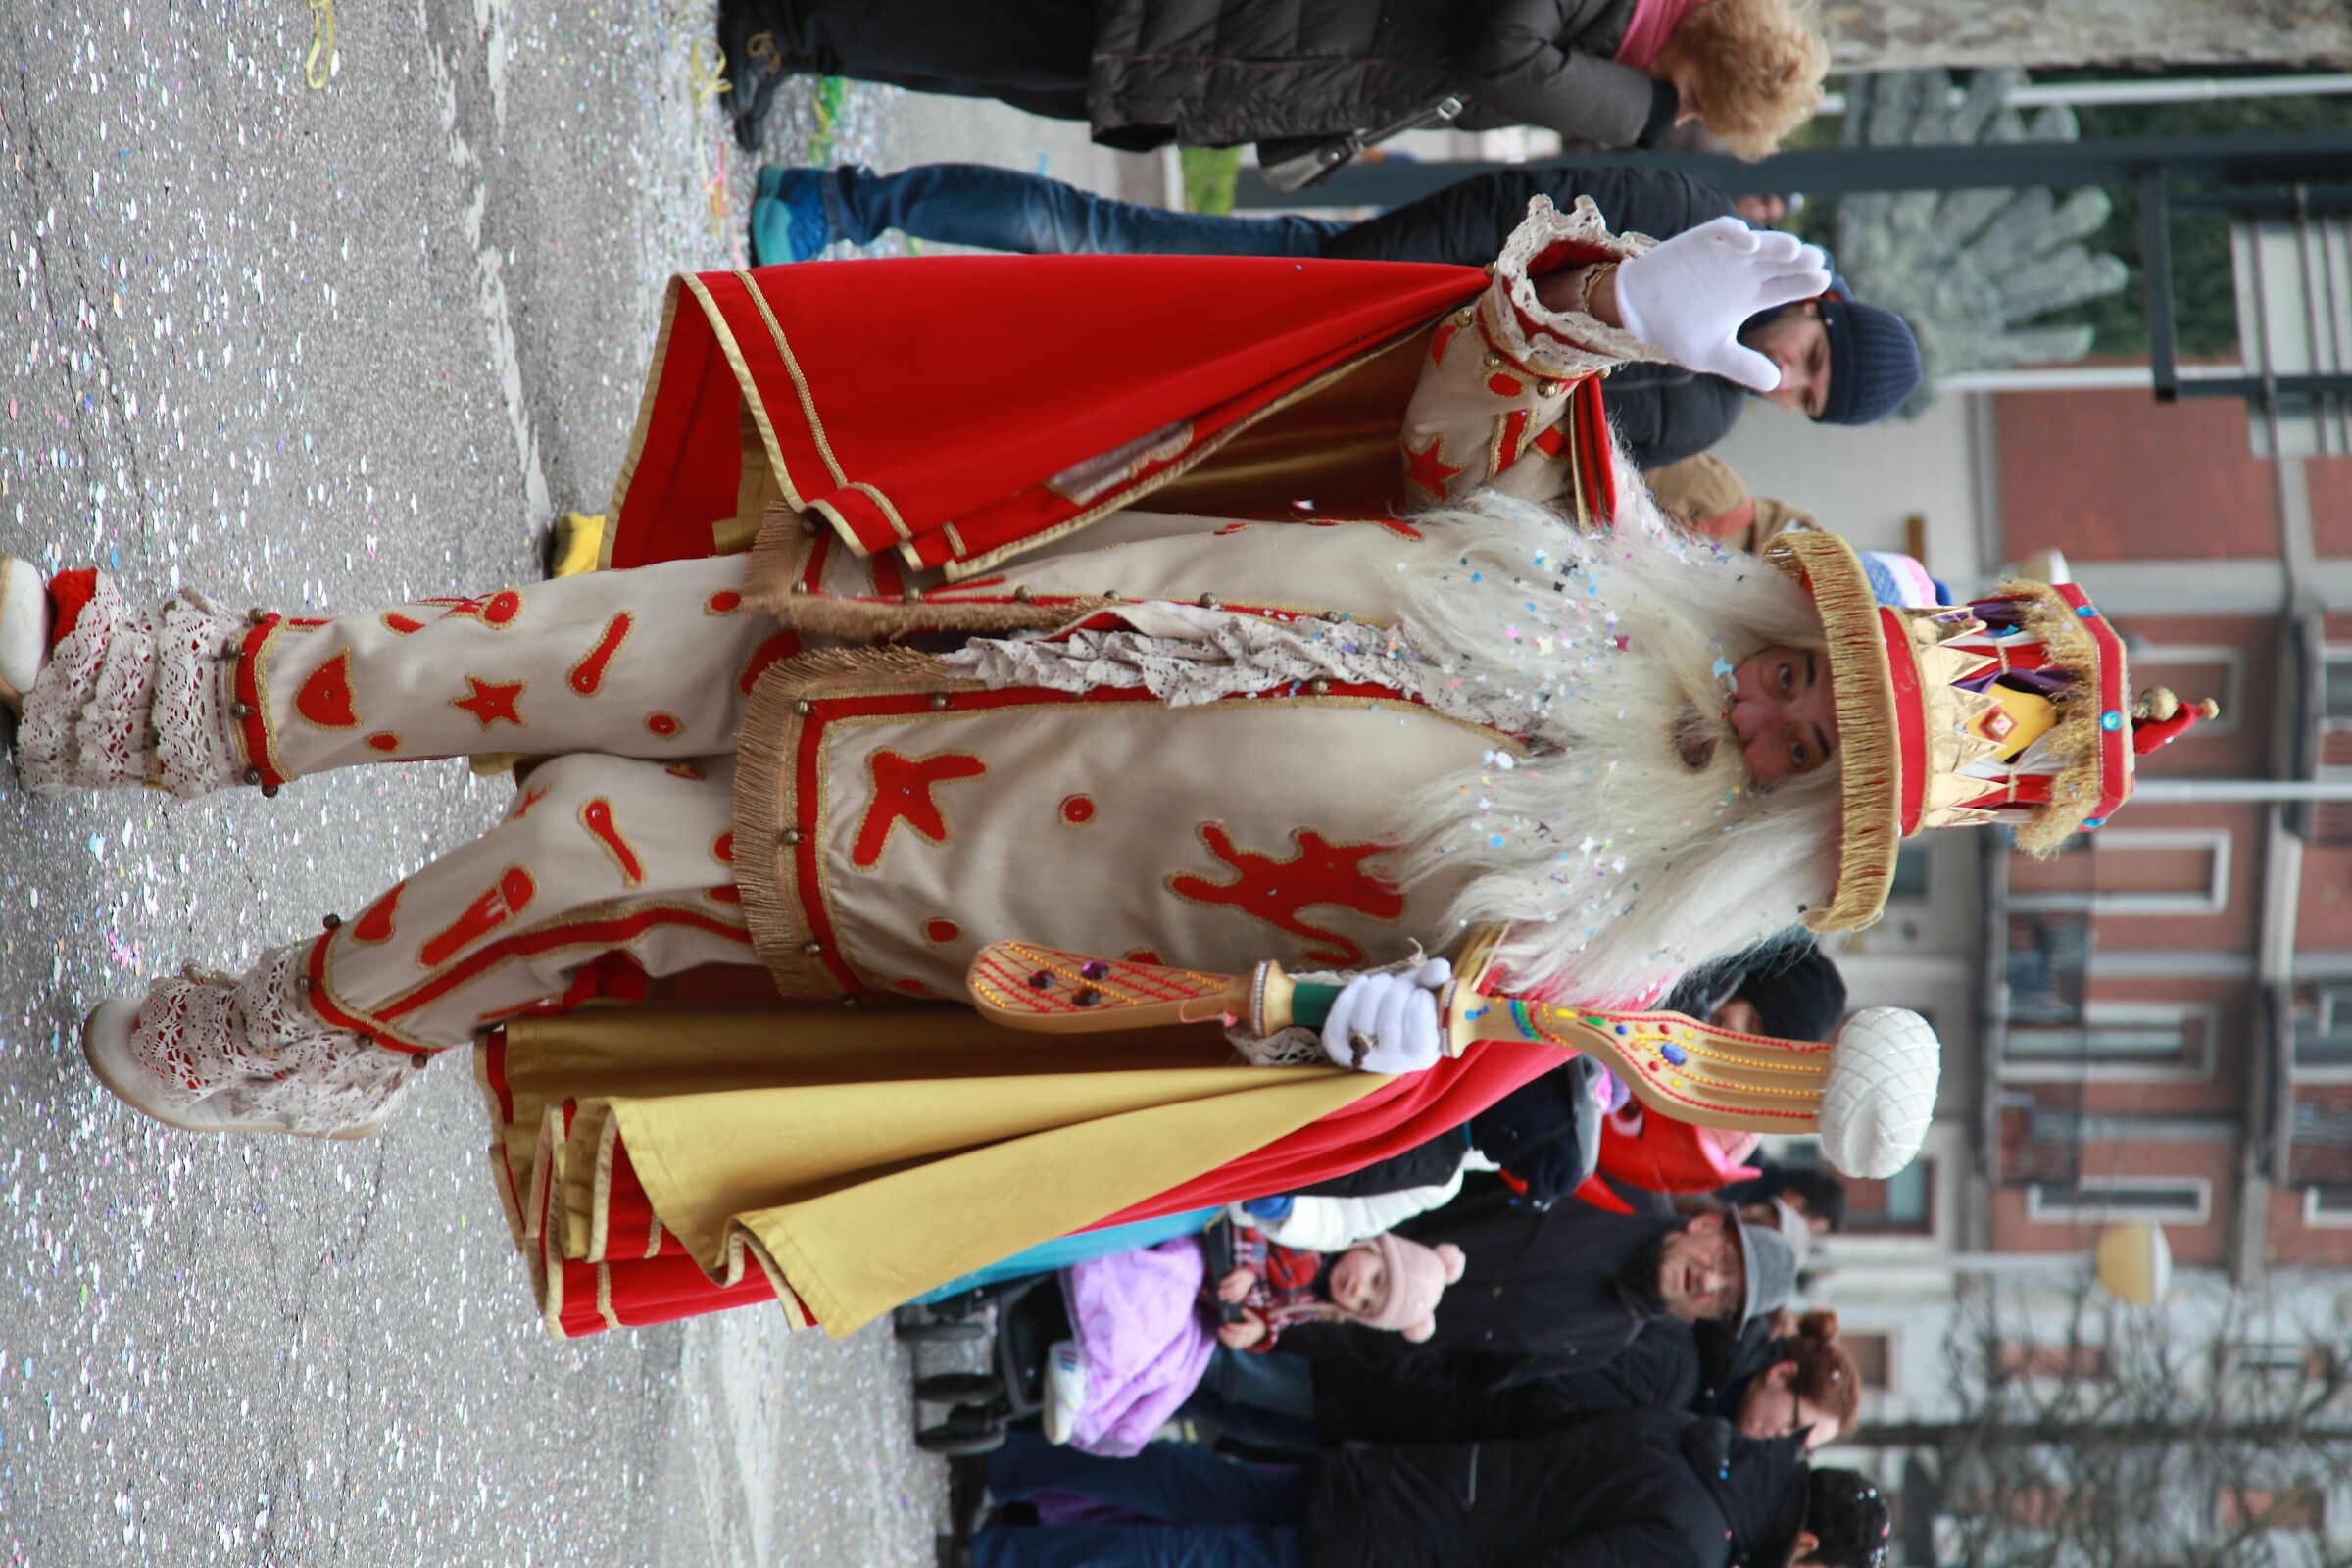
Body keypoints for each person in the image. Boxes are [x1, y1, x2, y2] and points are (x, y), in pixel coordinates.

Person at [1, 199, 2152, 1343]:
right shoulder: (1608, 570)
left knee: (568, 845)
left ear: (1803, 822)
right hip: (942, 609)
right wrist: (1603, 299)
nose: (1773, 712)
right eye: (1807, 677)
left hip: (929, 858)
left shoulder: (1581, 938)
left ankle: (323, 1028)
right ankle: (157, 688)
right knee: (514, 648)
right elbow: (1452, 414)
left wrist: (1354, 1035)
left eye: (1810, 749)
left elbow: (1313, 1071)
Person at [745, 160, 1920, 468]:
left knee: (1078, 360)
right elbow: (1512, 204)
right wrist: (1359, 281)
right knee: (1097, 242)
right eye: (1815, 361)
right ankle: (843, 201)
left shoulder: (1707, 424)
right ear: (1823, 303)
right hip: (1352, 293)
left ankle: (845, 353)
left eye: (1809, 400)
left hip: (1363, 380)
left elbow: (1561, 451)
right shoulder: (1702, 222)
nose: (1791, 384)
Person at [718, 0, 1827, 161]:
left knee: (1027, 66)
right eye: (1689, 101)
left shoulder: (1601, 39)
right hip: (1242, 26)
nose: (1672, 115)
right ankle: (789, 27)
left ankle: (803, 34)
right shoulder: (1616, 48)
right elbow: (1496, 50)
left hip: (1253, 50)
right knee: (1013, 36)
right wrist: (1634, 111)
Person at [964, 1415, 1892, 1568]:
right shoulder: (1696, 1542)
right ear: (1807, 1548)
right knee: (1203, 1555)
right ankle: (1001, 1552)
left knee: (1206, 1485)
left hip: (1414, 1478)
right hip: (1411, 1544)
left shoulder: (1703, 1444)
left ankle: (1008, 1462)